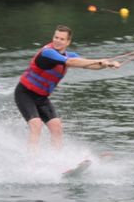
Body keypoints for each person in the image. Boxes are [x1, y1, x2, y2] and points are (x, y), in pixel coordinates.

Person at [15, 25, 120, 153]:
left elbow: (88, 65)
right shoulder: (47, 53)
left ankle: (57, 160)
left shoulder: (71, 55)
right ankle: (31, 161)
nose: (57, 41)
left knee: (56, 127)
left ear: (68, 42)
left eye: (62, 39)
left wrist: (107, 64)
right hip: (25, 93)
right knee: (36, 125)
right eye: (56, 37)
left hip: (42, 98)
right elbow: (70, 62)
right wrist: (99, 60)